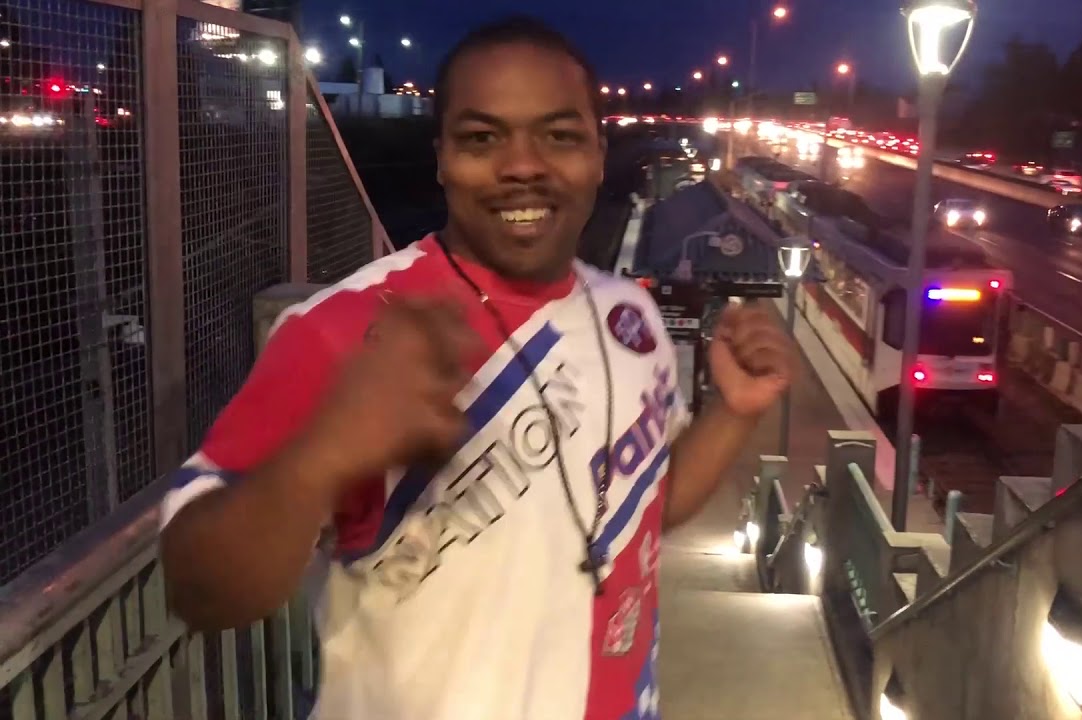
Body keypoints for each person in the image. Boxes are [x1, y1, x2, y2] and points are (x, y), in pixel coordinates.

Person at [160, 15, 796, 720]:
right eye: (482, 139)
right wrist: (323, 455)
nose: (523, 165)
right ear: (441, 160)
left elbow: (647, 506)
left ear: (598, 153)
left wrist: (734, 412)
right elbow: (200, 590)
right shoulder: (344, 330)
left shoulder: (632, 316)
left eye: (559, 136)